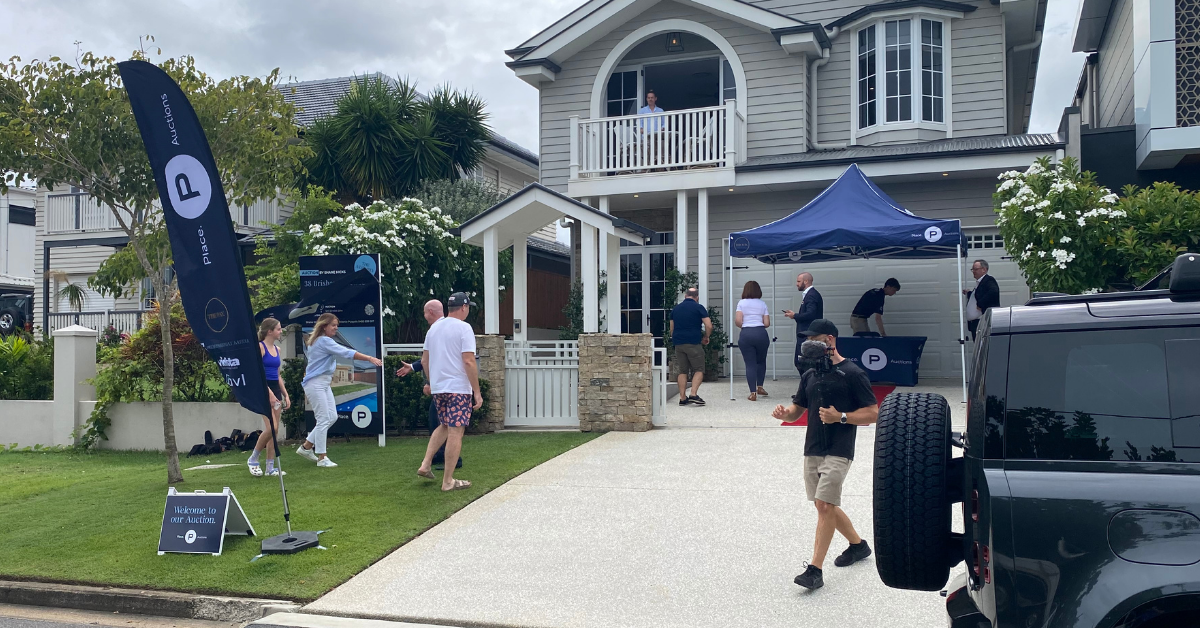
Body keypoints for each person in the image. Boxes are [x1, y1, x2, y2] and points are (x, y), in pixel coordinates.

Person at [771, 319, 879, 590]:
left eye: (815, 339)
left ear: (830, 340)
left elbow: (873, 412)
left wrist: (840, 416)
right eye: (807, 340)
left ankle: (815, 571)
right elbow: (797, 410)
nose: (809, 344)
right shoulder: (809, 374)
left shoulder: (853, 373)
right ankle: (858, 546)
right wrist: (785, 414)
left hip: (839, 448)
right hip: (813, 448)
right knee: (822, 504)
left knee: (825, 505)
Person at [297, 313, 384, 468]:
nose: (336, 328)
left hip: (322, 383)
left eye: (337, 325)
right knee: (324, 419)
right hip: (316, 383)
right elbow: (347, 352)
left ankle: (306, 447)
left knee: (332, 417)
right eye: (333, 325)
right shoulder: (324, 341)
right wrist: (370, 358)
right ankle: (322, 457)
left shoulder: (317, 340)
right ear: (324, 326)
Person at [417, 292, 483, 491]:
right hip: (458, 388)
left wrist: (432, 382)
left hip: (439, 389)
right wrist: (477, 391)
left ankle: (426, 464)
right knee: (456, 430)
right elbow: (468, 361)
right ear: (464, 307)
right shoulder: (464, 328)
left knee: (444, 425)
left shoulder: (434, 329)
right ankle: (448, 481)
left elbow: (424, 361)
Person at [396, 299, 461, 469]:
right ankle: (440, 456)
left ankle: (449, 459)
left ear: (430, 312)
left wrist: (431, 383)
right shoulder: (443, 328)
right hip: (449, 385)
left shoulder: (438, 330)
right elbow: (430, 358)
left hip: (447, 386)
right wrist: (413, 366)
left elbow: (433, 359)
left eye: (424, 312)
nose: (424, 316)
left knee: (444, 423)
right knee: (441, 421)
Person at [248, 318, 290, 477]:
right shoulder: (260, 347)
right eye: (278, 329)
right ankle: (253, 458)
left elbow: (278, 375)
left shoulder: (277, 349)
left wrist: (285, 394)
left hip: (275, 389)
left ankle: (270, 467)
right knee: (272, 428)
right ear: (269, 331)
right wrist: (270, 394)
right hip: (263, 389)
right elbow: (256, 374)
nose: (281, 331)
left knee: (274, 431)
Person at [669, 287, 712, 406]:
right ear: (697, 297)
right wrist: (706, 336)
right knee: (699, 369)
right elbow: (708, 325)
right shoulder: (699, 307)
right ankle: (693, 394)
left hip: (678, 343)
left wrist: (676, 338)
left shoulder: (676, 309)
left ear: (685, 296)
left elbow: (672, 328)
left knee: (682, 370)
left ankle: (682, 398)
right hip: (693, 342)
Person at [735, 280, 771, 401]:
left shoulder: (741, 303)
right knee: (761, 361)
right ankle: (760, 386)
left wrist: (746, 326)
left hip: (746, 333)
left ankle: (753, 393)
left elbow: (738, 321)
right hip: (761, 333)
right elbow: (767, 323)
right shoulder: (762, 304)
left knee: (750, 364)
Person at [782, 272, 822, 374]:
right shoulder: (809, 295)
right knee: (800, 362)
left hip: (808, 334)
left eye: (798, 281)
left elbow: (811, 314)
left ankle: (807, 381)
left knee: (803, 362)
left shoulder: (811, 295)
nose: (797, 284)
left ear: (806, 281)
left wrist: (795, 315)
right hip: (805, 333)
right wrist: (794, 315)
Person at [964, 259, 1000, 339]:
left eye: (976, 269)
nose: (973, 271)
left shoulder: (988, 280)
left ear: (984, 269)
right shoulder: (979, 283)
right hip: (975, 323)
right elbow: (979, 295)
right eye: (972, 269)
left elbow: (993, 291)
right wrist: (969, 293)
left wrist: (981, 304)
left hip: (982, 321)